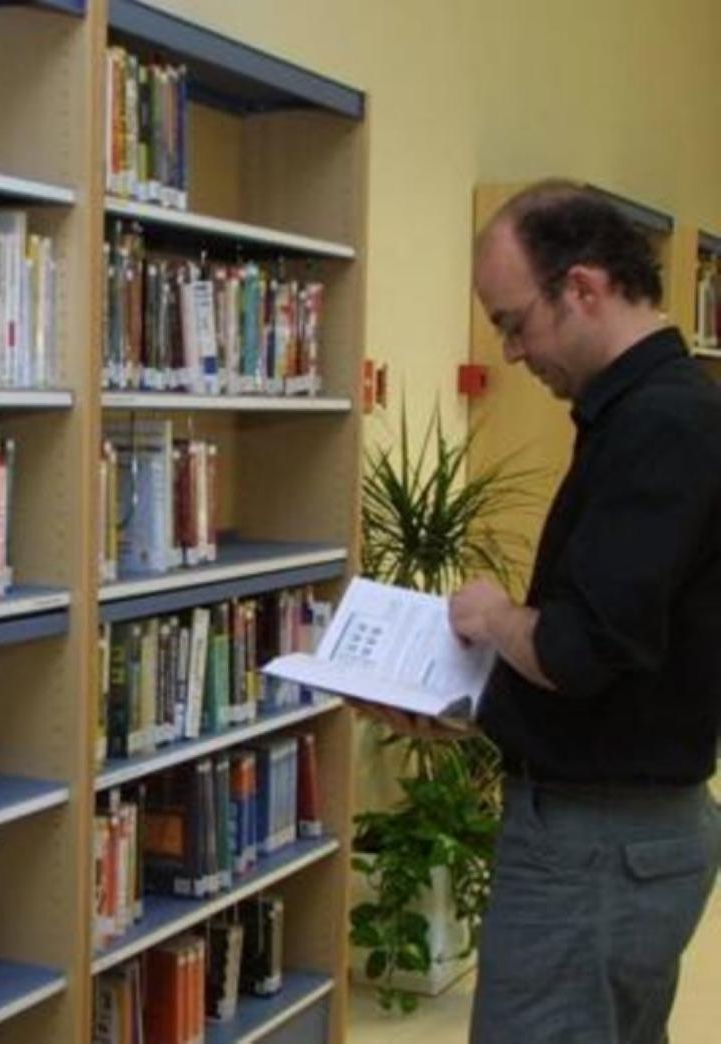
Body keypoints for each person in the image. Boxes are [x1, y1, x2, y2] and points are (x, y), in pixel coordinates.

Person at [374, 180, 721, 1044]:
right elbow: (627, 667)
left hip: (596, 853)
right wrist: (469, 705)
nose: (513, 351)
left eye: (513, 321)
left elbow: (579, 649)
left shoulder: (664, 425)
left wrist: (490, 618)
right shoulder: (650, 415)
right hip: (619, 835)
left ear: (584, 289)